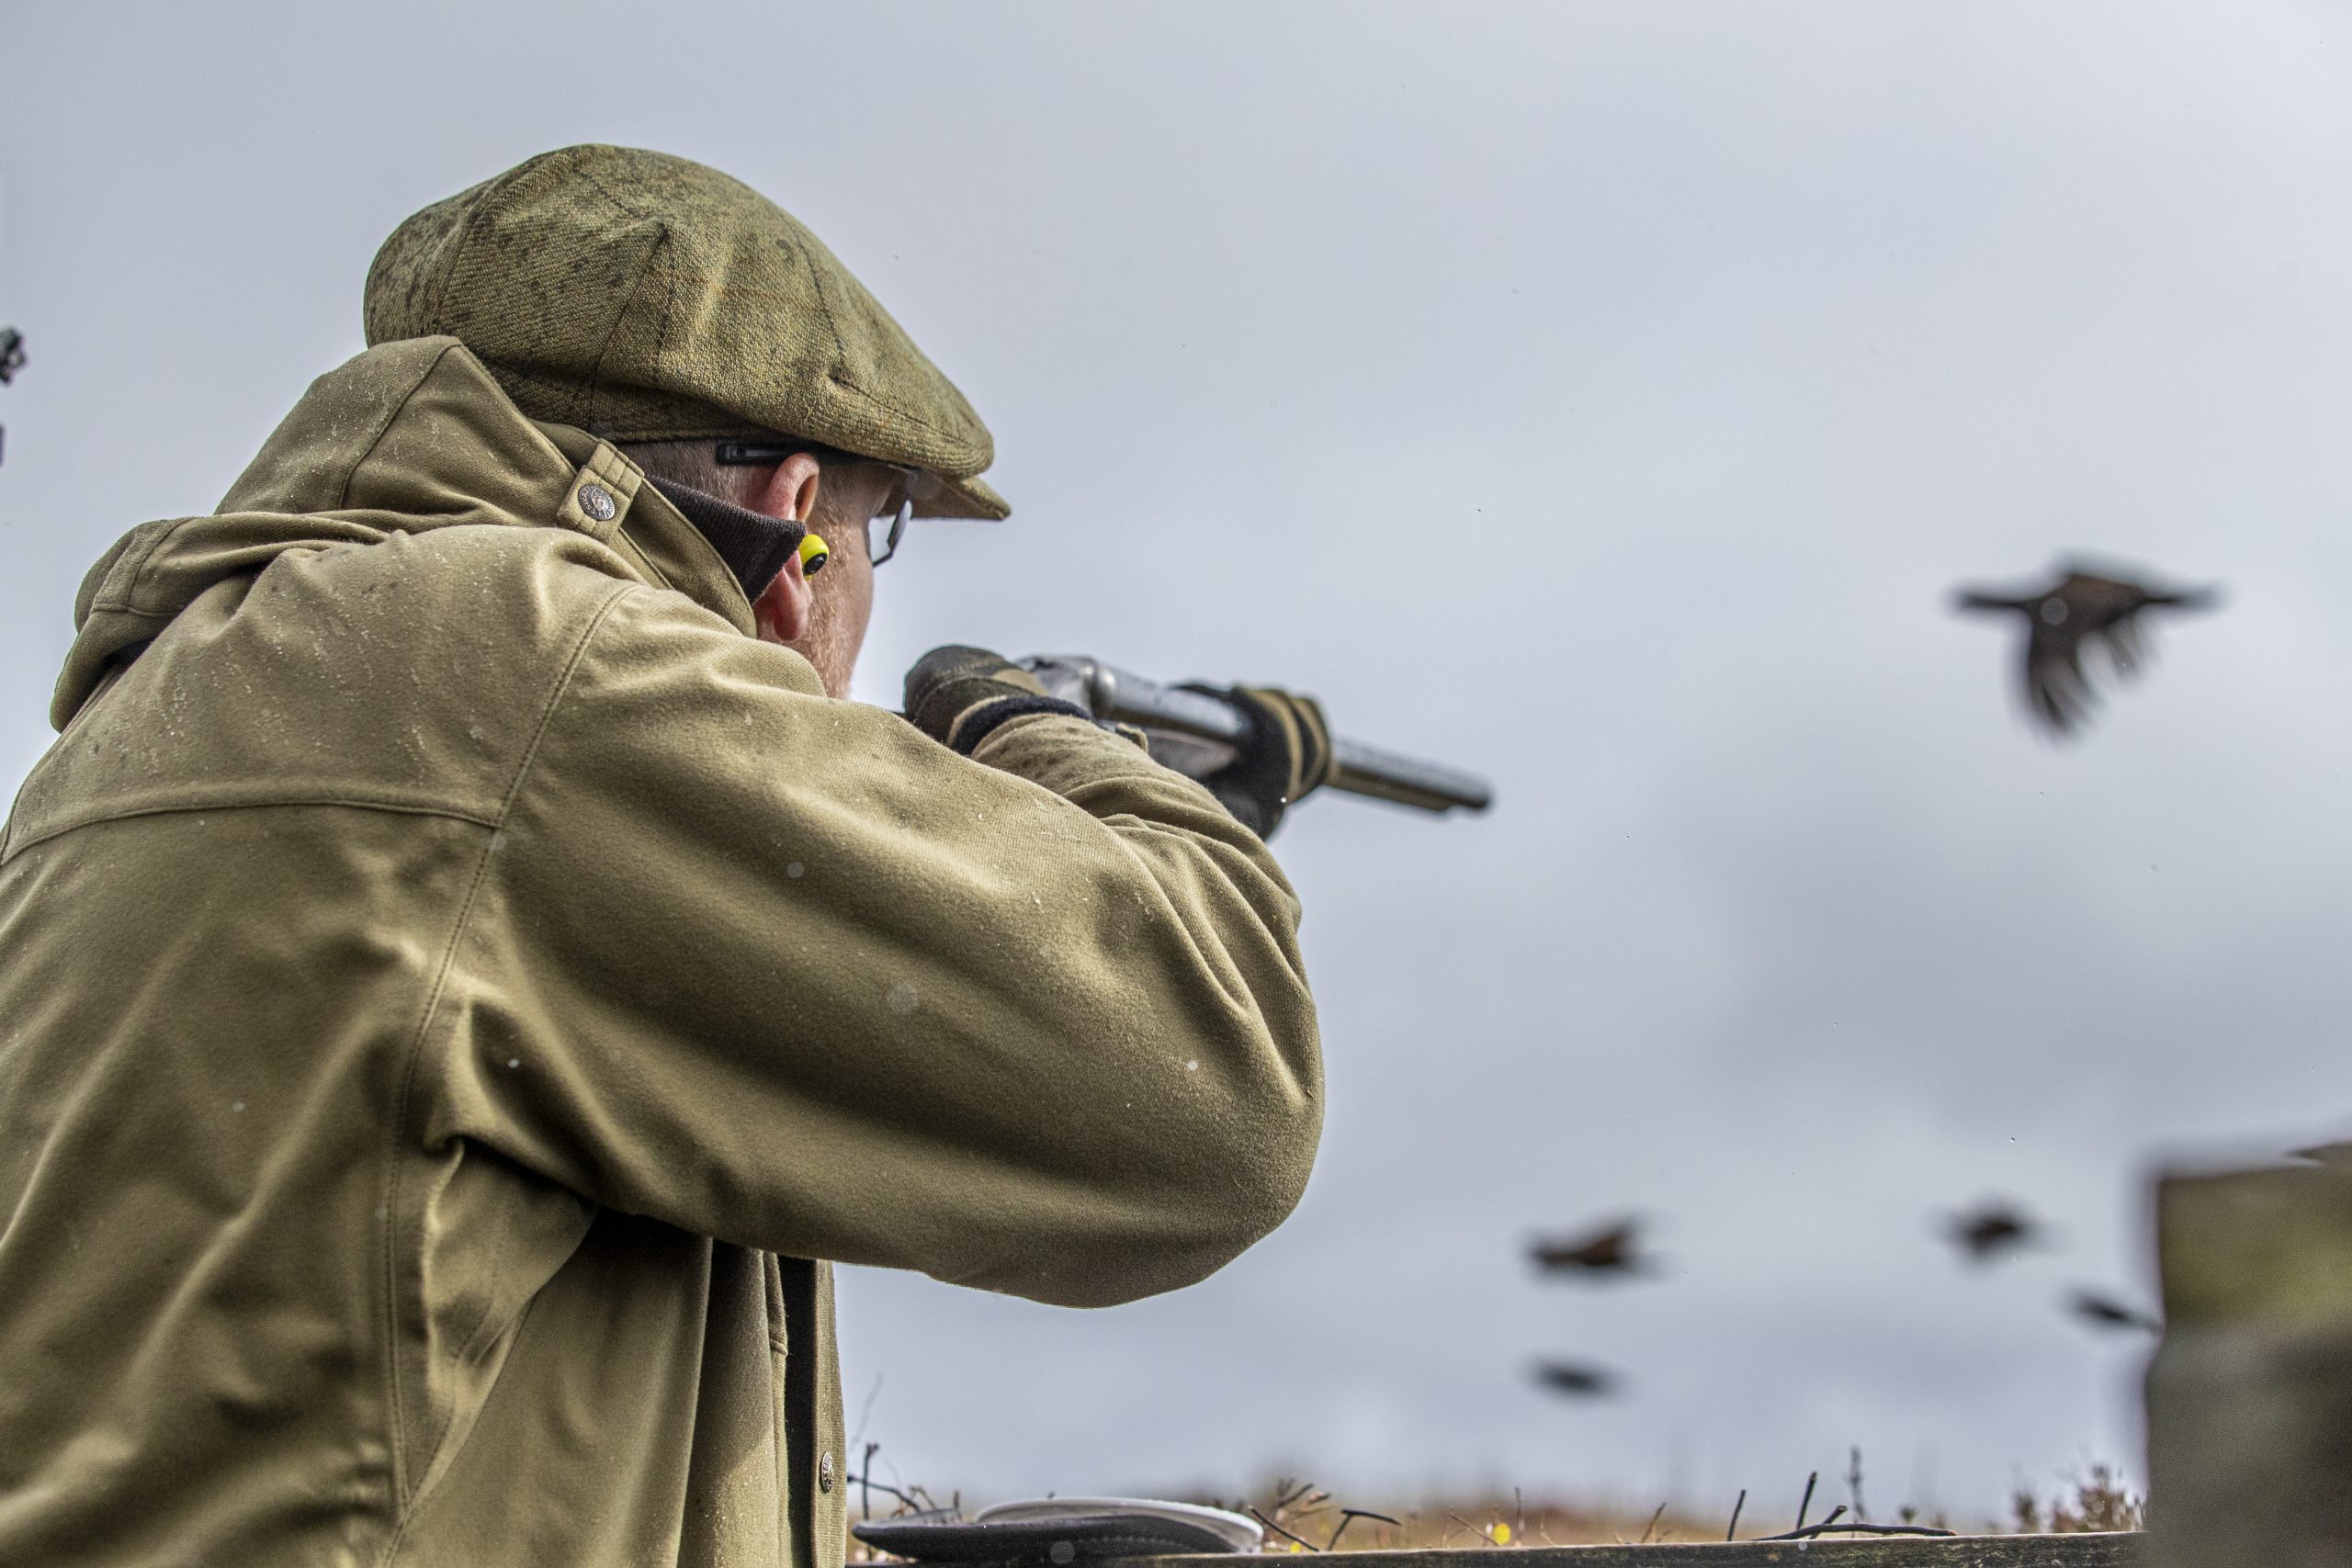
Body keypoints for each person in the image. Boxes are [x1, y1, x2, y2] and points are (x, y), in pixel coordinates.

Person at [0, 145, 1331, 1568]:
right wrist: (1034, 733)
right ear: (799, 529)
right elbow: (1215, 1085)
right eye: (881, 529)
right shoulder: (536, 676)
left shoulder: (191, 688)